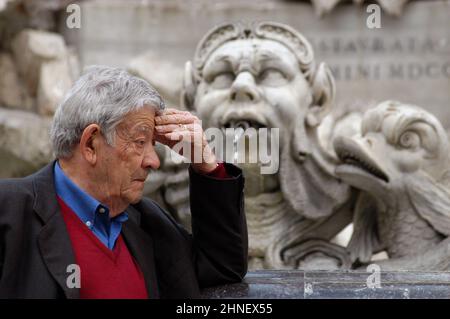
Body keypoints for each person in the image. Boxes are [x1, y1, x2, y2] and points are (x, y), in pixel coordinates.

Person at [0, 65, 247, 299]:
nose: (153, 161)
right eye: (140, 142)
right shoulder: (9, 212)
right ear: (90, 144)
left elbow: (221, 268)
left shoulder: (146, 220)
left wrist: (206, 165)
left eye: (153, 144)